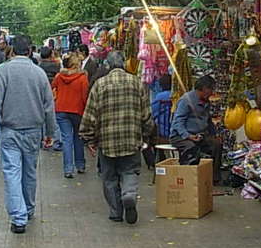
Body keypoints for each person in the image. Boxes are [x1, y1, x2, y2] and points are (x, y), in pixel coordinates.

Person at [80, 51, 154, 225]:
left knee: (109, 177)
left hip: (107, 142)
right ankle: (128, 194)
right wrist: (147, 133)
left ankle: (115, 211)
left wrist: (89, 138)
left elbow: (90, 115)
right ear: (124, 64)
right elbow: (146, 115)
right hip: (131, 139)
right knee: (130, 171)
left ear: (108, 65)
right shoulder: (137, 83)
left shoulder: (100, 84)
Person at [0, 35, 56, 233]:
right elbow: (48, 106)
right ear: (29, 51)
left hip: (9, 130)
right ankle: (28, 208)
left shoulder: (3, 71)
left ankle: (18, 218)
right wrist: (50, 132)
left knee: (12, 172)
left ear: (12, 50)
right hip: (34, 130)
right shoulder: (38, 73)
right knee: (29, 171)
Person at [169, 75, 222, 184]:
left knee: (216, 145)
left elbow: (208, 121)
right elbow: (178, 122)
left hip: (198, 135)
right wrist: (188, 135)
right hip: (180, 136)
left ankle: (212, 179)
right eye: (211, 89)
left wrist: (214, 135)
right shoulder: (186, 100)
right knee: (191, 147)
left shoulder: (205, 101)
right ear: (204, 89)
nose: (212, 92)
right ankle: (189, 178)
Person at [52, 53, 89, 178]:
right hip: (77, 110)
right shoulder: (82, 78)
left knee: (66, 139)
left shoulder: (59, 76)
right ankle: (80, 165)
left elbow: (53, 88)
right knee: (78, 138)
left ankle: (68, 169)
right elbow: (85, 97)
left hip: (61, 109)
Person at [150, 74, 173, 140]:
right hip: (175, 130)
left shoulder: (160, 96)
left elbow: (151, 112)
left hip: (163, 131)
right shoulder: (176, 96)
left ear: (160, 85)